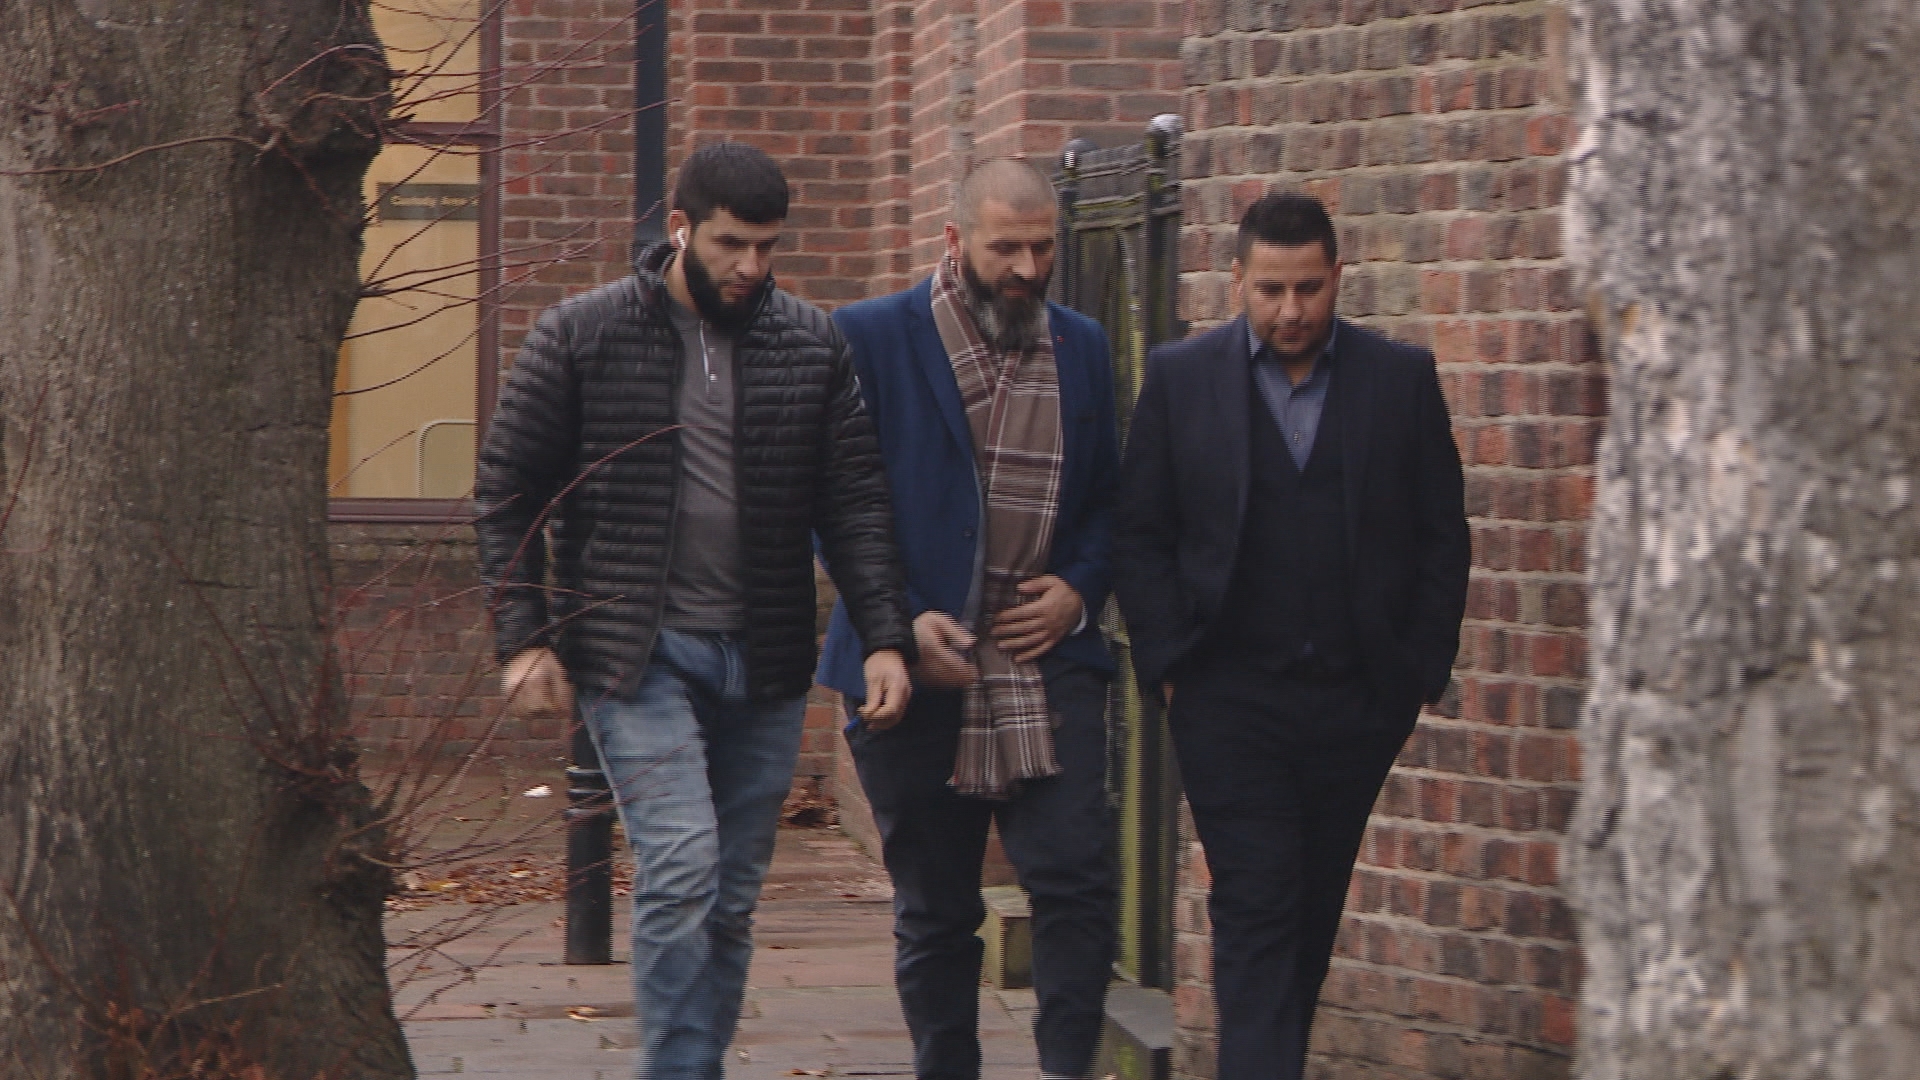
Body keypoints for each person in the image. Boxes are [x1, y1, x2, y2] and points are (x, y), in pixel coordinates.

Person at [473, 141, 917, 1080]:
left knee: (731, 892)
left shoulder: (810, 343)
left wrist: (885, 636)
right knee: (680, 862)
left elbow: (855, 502)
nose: (751, 266)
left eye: (767, 246)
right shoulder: (583, 334)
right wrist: (524, 637)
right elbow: (508, 491)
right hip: (636, 652)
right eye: (730, 244)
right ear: (680, 229)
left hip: (764, 655)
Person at [1112, 192, 1470, 1080]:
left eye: (1309, 288)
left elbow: (1442, 534)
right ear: (1237, 279)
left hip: (1358, 703)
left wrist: (1418, 672)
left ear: (1338, 276)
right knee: (1258, 907)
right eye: (1271, 289)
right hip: (1228, 701)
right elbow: (1141, 532)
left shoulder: (1399, 380)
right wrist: (1170, 666)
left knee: (1308, 918)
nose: (1291, 310)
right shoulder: (1182, 379)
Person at [817, 157, 1121, 1080]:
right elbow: (834, 506)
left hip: (1045, 658)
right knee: (937, 911)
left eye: (1042, 248)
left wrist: (1079, 588)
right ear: (955, 241)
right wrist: (900, 623)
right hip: (912, 671)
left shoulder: (1084, 346)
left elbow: (1113, 502)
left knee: (1077, 881)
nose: (1027, 268)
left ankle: (1067, 1068)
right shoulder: (869, 337)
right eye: (1006, 249)